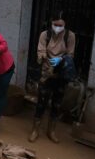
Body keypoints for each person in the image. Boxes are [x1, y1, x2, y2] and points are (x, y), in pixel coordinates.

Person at [29, 12, 76, 143]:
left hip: (61, 73)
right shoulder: (45, 34)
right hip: (46, 71)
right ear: (51, 23)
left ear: (65, 24)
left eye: (60, 25)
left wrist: (60, 59)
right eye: (55, 24)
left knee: (57, 103)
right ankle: (35, 130)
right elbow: (41, 50)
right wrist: (43, 58)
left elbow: (70, 54)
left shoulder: (70, 36)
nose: (57, 27)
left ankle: (52, 131)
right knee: (41, 102)